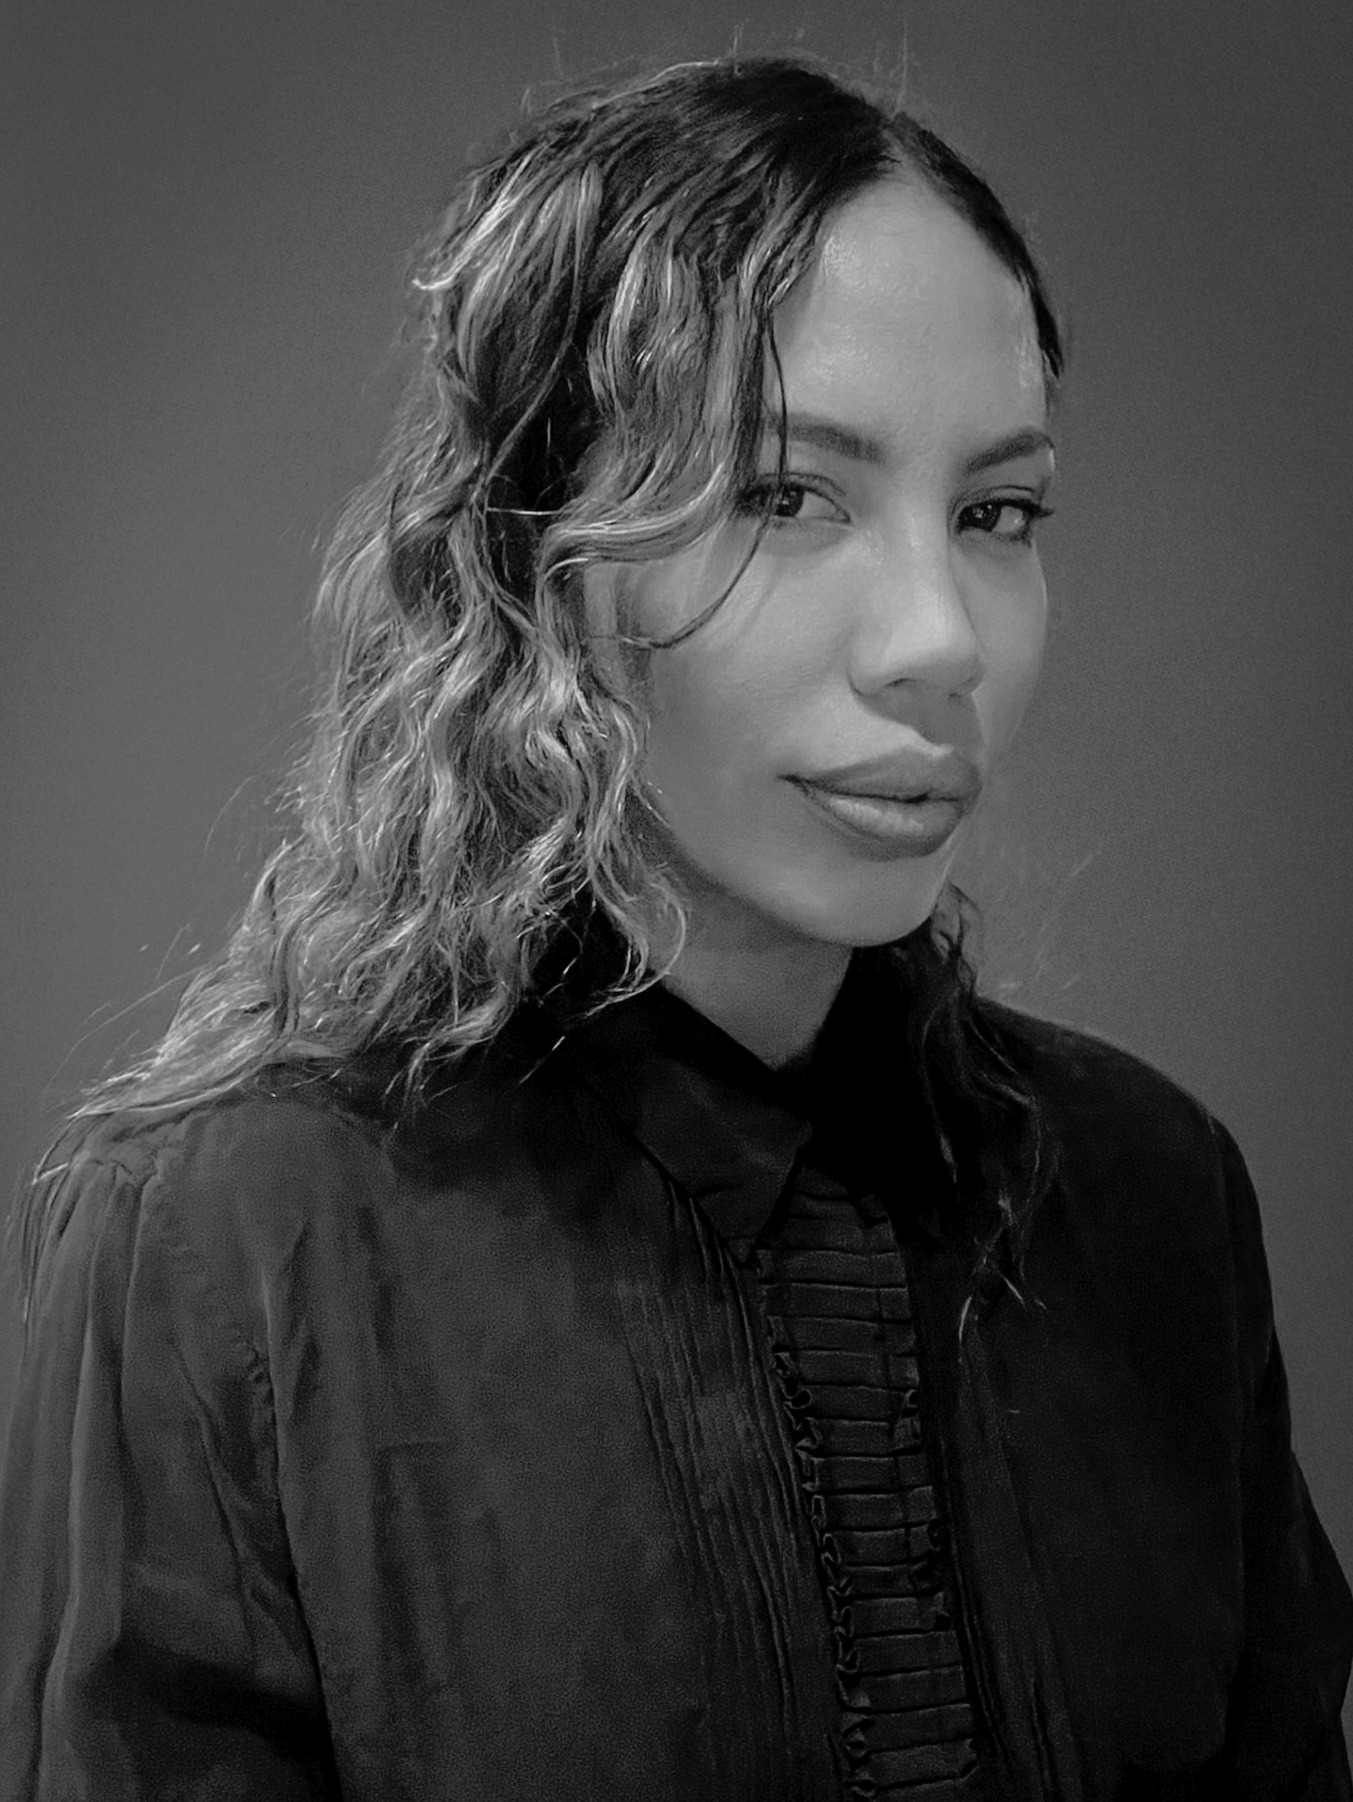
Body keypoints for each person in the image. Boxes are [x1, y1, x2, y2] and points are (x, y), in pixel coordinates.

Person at [1, 54, 1349, 1802]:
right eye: (787, 495)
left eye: (998, 512)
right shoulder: (230, 1243)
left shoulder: (1157, 1195)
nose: (939, 636)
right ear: (539, 553)